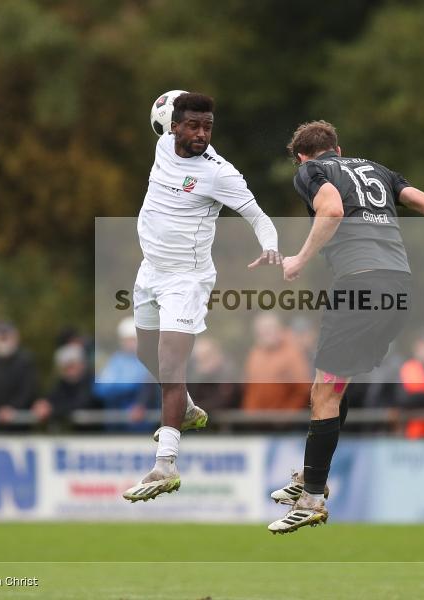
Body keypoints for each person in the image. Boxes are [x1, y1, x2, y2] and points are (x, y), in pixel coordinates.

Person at [268, 120, 424, 533]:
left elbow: (332, 209)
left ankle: (313, 497)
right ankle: (311, 474)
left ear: (303, 157)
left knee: (323, 391)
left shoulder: (310, 171)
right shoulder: (378, 170)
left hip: (360, 286)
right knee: (337, 384)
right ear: (338, 149)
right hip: (399, 290)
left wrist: (300, 259)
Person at [122, 91, 282, 503]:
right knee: (145, 354)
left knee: (170, 365)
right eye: (193, 125)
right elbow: (170, 98)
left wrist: (270, 245)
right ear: (172, 126)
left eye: (208, 127)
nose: (201, 134)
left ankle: (166, 464)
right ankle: (188, 409)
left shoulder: (219, 173)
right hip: (149, 271)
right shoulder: (162, 145)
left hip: (186, 281)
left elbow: (257, 215)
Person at [94, 317, 160, 432]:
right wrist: (127, 387)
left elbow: (149, 389)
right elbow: (100, 389)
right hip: (116, 419)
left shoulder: (150, 360)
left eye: (133, 340)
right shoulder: (116, 360)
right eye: (126, 340)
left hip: (142, 421)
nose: (129, 344)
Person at [242, 313, 310, 412]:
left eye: (270, 328)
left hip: (285, 422)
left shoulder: (292, 353)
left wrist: (288, 415)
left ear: (279, 329)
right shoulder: (254, 354)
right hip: (257, 421)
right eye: (262, 329)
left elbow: (302, 389)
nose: (266, 332)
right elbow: (249, 388)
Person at [33, 343, 97, 430]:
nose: (68, 370)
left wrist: (52, 409)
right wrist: (43, 403)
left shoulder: (91, 381)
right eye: (65, 367)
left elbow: (82, 403)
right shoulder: (63, 383)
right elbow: (54, 396)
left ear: (82, 364)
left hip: (98, 435)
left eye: (72, 365)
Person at [187, 336, 241, 413]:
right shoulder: (197, 374)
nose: (201, 363)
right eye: (199, 359)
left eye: (206, 357)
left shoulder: (227, 373)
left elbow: (223, 402)